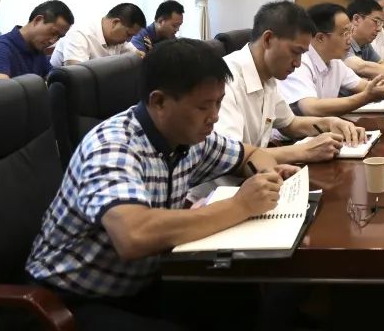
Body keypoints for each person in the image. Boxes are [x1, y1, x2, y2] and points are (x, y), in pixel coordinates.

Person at [26, 38, 292, 330]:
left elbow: (251, 155)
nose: (215, 117)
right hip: (69, 299)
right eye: (204, 106)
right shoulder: (112, 147)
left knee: (240, 295)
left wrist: (265, 176)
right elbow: (134, 235)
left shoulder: (188, 137)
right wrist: (241, 205)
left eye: (219, 102)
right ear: (159, 101)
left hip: (143, 281)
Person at [215, 1, 365, 166]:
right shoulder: (224, 80)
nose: (298, 63)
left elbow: (290, 124)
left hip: (259, 174)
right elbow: (229, 155)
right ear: (268, 39)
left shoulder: (268, 76)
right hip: (227, 182)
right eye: (295, 52)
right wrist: (304, 151)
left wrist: (330, 123)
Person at [278, 2, 384, 117]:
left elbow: (365, 86)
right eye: (344, 33)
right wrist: (365, 97)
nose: (349, 40)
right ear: (320, 38)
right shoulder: (300, 62)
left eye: (350, 32)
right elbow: (311, 108)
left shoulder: (336, 62)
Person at [0, 0, 73, 81]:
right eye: (53, 32)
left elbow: (54, 77)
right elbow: (3, 92)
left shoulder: (37, 50)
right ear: (38, 20)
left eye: (59, 37)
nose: (53, 41)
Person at [50, 2, 146, 67]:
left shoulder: (119, 39)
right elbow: (76, 75)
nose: (129, 40)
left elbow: (138, 56)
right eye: (128, 34)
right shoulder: (80, 34)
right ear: (115, 23)